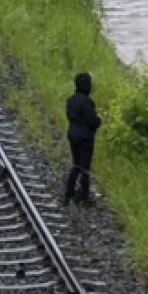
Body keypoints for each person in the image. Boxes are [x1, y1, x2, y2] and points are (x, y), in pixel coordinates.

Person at [64, 72, 102, 206]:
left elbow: (70, 117)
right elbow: (92, 121)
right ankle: (84, 199)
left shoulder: (70, 100)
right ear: (87, 86)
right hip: (85, 138)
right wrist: (99, 120)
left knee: (76, 165)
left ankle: (68, 195)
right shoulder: (87, 102)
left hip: (72, 134)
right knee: (85, 168)